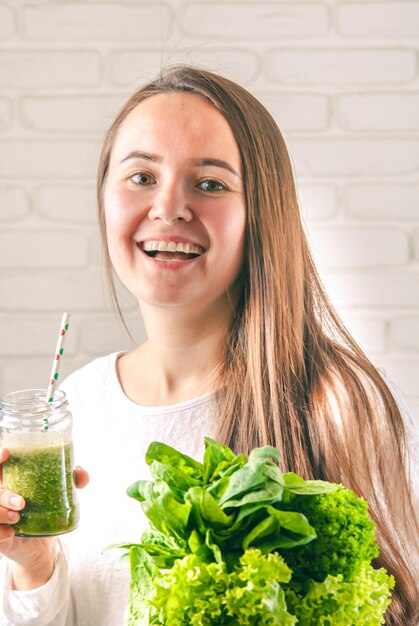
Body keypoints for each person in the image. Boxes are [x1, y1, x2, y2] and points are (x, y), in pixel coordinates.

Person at [0, 65, 417, 626]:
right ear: (104, 199)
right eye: (141, 177)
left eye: (211, 183)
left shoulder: (331, 403)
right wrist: (34, 566)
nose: (168, 207)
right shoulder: (77, 406)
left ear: (260, 214)